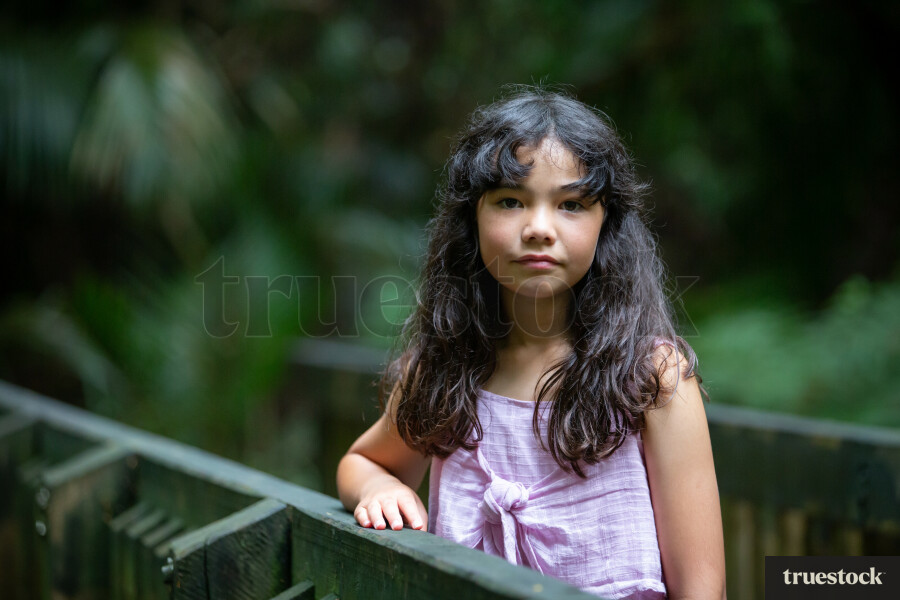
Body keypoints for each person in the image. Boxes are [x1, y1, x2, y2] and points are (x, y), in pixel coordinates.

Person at [336, 87, 726, 599]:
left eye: (571, 204)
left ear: (605, 221)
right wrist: (378, 486)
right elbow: (362, 461)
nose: (539, 228)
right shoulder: (446, 371)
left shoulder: (652, 379)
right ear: (472, 218)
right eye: (511, 201)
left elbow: (703, 590)